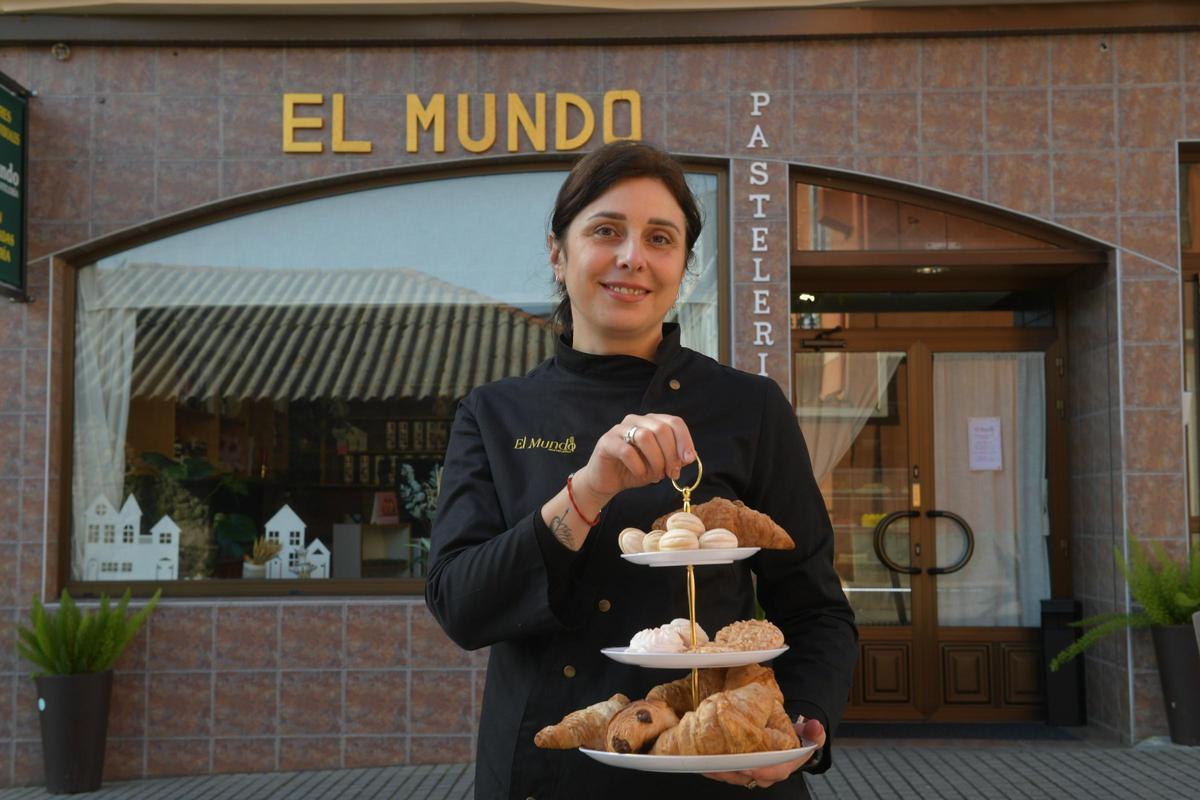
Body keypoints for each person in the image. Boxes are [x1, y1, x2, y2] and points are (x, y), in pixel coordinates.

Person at [426, 141, 857, 799]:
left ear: (683, 266)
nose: (633, 257)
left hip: (718, 769)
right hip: (552, 772)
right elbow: (462, 606)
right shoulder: (494, 414)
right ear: (557, 253)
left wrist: (797, 727)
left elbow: (816, 609)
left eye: (660, 238)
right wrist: (588, 489)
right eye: (606, 231)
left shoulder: (749, 407)